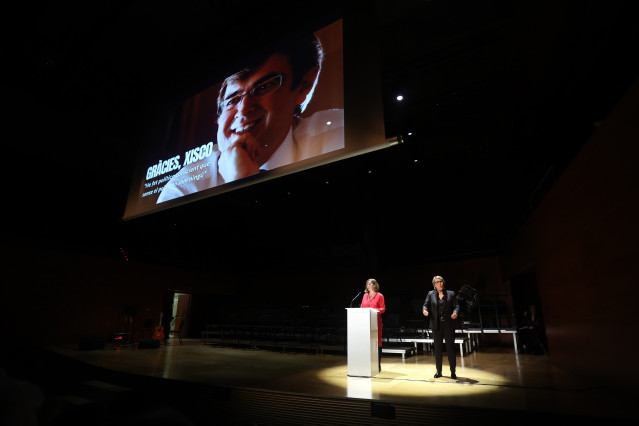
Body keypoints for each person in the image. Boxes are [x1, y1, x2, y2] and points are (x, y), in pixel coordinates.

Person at [157, 32, 344, 203]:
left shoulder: (339, 134)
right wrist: (240, 183)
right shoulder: (184, 189)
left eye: (264, 87)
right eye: (232, 99)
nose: (244, 109)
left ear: (304, 85)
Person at [423, 275, 460, 379]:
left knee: (450, 348)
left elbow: (456, 306)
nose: (440, 283)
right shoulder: (431, 294)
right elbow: (425, 305)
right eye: (438, 282)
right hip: (436, 325)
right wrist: (425, 310)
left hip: (448, 325)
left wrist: (455, 312)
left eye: (441, 281)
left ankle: (453, 371)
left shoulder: (451, 293)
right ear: (434, 285)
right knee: (438, 349)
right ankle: (439, 371)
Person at [360, 278, 386, 372]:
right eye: (367, 284)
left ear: (374, 285)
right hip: (366, 323)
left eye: (369, 284)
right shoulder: (364, 296)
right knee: (367, 343)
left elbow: (383, 309)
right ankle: (367, 364)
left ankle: (377, 365)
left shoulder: (380, 296)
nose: (368, 285)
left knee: (377, 343)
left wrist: (373, 311)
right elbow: (362, 307)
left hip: (376, 322)